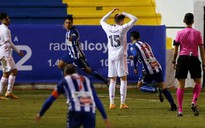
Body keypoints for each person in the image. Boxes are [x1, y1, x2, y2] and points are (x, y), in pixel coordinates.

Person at [35, 64, 111, 128]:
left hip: (74, 111)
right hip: (90, 111)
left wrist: (40, 114)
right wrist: (105, 118)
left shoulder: (64, 81)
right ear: (76, 71)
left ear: (65, 74)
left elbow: (50, 100)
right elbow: (96, 100)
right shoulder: (87, 80)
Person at [129, 31, 177, 111]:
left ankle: (155, 89)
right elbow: (145, 55)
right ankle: (173, 105)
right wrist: (135, 58)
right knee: (163, 87)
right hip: (157, 65)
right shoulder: (145, 44)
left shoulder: (133, 46)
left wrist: (135, 67)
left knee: (139, 86)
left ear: (131, 38)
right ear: (139, 37)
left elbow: (135, 55)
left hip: (148, 69)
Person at [100, 8, 137, 109]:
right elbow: (134, 19)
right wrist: (125, 12)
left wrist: (110, 12)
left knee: (112, 80)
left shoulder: (108, 28)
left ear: (114, 21)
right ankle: (122, 103)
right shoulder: (122, 28)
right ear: (121, 21)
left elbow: (101, 21)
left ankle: (112, 103)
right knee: (123, 79)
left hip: (111, 56)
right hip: (121, 56)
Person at [58, 15, 108, 85]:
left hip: (78, 56)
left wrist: (72, 38)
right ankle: (66, 82)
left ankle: (106, 81)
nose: (68, 24)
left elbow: (74, 36)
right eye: (66, 23)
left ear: (72, 23)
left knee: (89, 71)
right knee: (60, 65)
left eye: (69, 23)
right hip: (70, 54)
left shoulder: (74, 31)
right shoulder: (68, 31)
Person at [173, 13, 205, 117]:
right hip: (194, 58)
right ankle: (194, 102)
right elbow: (202, 50)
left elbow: (176, 49)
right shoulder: (198, 33)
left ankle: (180, 110)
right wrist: (204, 64)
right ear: (193, 21)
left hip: (182, 58)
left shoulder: (179, 33)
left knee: (180, 84)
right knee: (198, 82)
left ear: (184, 21)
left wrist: (174, 61)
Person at [0, 13, 24, 99]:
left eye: (8, 18)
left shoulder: (3, 28)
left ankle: (9, 92)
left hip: (7, 54)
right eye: (6, 19)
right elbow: (9, 42)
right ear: (2, 20)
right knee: (6, 72)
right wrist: (18, 51)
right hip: (4, 53)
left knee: (14, 71)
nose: (8, 20)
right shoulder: (5, 30)